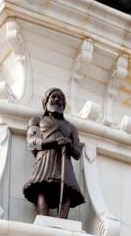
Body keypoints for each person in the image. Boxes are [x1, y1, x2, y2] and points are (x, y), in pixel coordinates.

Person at [23, 88, 85, 220]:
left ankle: (63, 220)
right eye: (54, 97)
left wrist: (69, 144)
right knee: (43, 186)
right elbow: (32, 143)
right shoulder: (36, 121)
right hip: (45, 160)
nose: (57, 100)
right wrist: (54, 142)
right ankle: (43, 218)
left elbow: (78, 153)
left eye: (60, 98)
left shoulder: (71, 128)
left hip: (64, 163)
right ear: (46, 101)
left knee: (68, 189)